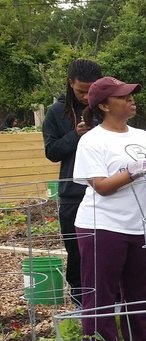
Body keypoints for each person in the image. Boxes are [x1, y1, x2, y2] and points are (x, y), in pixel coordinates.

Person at [73, 77, 146, 341]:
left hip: (144, 224)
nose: (132, 99)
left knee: (141, 292)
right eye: (124, 96)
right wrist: (130, 172)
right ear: (104, 105)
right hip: (103, 226)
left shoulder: (143, 136)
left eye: (132, 94)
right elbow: (102, 187)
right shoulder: (93, 140)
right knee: (100, 294)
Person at [43, 59, 103, 308]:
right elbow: (52, 151)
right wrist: (75, 136)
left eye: (92, 90)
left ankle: (110, 298)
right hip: (73, 194)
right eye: (81, 91)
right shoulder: (56, 112)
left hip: (105, 190)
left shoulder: (105, 106)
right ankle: (81, 299)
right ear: (70, 83)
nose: (87, 96)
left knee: (107, 247)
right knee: (77, 250)